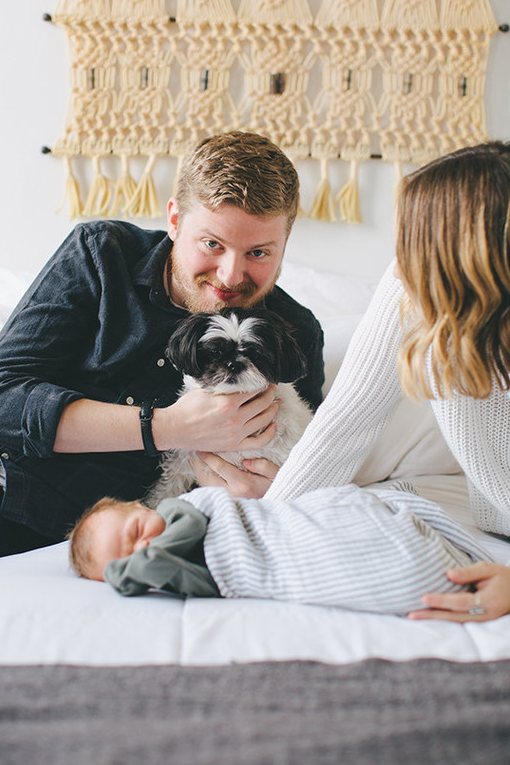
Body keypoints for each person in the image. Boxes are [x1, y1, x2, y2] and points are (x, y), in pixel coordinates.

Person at [0, 132, 324, 570]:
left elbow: (315, 462)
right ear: (175, 220)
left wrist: (271, 493)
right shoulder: (102, 254)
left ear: (284, 246)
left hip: (82, 535)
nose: (231, 275)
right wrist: (167, 427)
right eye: (212, 244)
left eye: (258, 252)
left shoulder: (295, 334)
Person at [192, 141, 510, 623]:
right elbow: (346, 423)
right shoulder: (413, 278)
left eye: (418, 238)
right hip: (491, 525)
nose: (404, 254)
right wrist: (253, 533)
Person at [67, 484, 492, 617]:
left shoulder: (184, 510)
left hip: (285, 527)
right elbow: (207, 584)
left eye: (138, 531)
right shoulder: (166, 566)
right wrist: (139, 571)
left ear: (145, 509)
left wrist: (130, 566)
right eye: (126, 560)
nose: (144, 547)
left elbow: (193, 527)